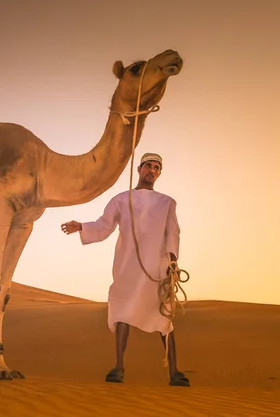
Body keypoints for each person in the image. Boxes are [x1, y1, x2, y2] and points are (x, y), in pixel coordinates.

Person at [60, 152, 190, 387]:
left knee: (165, 316)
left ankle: (175, 372)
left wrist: (172, 262)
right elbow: (103, 225)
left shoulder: (167, 202)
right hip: (127, 265)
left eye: (157, 168)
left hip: (157, 267)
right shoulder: (121, 199)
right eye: (148, 166)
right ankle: (118, 368)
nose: (152, 170)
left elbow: (173, 232)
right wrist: (81, 226)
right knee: (122, 311)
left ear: (159, 173)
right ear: (139, 169)